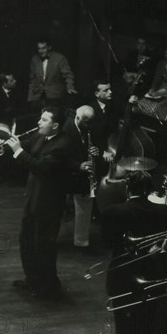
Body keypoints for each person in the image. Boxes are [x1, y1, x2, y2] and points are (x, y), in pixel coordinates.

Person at [101, 171, 167, 334]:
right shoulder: (164, 211)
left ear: (127, 188)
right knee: (146, 322)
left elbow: (107, 244)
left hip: (123, 276)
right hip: (154, 274)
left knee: (125, 329)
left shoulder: (112, 212)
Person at [3, 106, 71, 297]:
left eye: (44, 120)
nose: (38, 123)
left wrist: (17, 151)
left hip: (49, 205)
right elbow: (25, 145)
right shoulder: (41, 136)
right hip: (34, 198)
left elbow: (40, 167)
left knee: (44, 246)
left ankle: (48, 287)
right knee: (26, 240)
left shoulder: (62, 146)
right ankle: (32, 279)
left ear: (55, 125)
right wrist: (8, 146)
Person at [63, 105, 99, 249]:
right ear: (77, 118)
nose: (90, 126)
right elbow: (60, 157)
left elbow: (87, 146)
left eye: (91, 122)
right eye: (86, 122)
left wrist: (96, 151)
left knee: (85, 202)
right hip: (65, 174)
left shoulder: (85, 127)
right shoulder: (66, 130)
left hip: (79, 175)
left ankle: (81, 241)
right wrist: (79, 166)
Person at [0, 72, 23, 185]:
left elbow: (19, 109)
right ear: (5, 83)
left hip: (13, 122)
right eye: (12, 81)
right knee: (0, 142)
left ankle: (17, 172)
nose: (15, 82)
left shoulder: (16, 92)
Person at [28, 37, 77, 110]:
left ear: (49, 47)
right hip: (38, 97)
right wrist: (30, 97)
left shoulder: (60, 58)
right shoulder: (34, 59)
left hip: (55, 97)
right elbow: (32, 80)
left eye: (43, 48)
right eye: (39, 48)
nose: (41, 51)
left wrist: (70, 87)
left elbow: (68, 76)